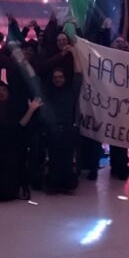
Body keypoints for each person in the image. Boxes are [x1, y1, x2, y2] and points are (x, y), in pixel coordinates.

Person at [43, 43, 83, 194]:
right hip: (53, 130)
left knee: (67, 159)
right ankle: (54, 181)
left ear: (64, 78)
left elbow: (79, 72)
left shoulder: (71, 90)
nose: (58, 79)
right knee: (53, 158)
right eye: (55, 77)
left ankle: (66, 181)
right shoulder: (48, 91)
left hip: (67, 130)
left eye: (60, 77)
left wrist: (74, 53)